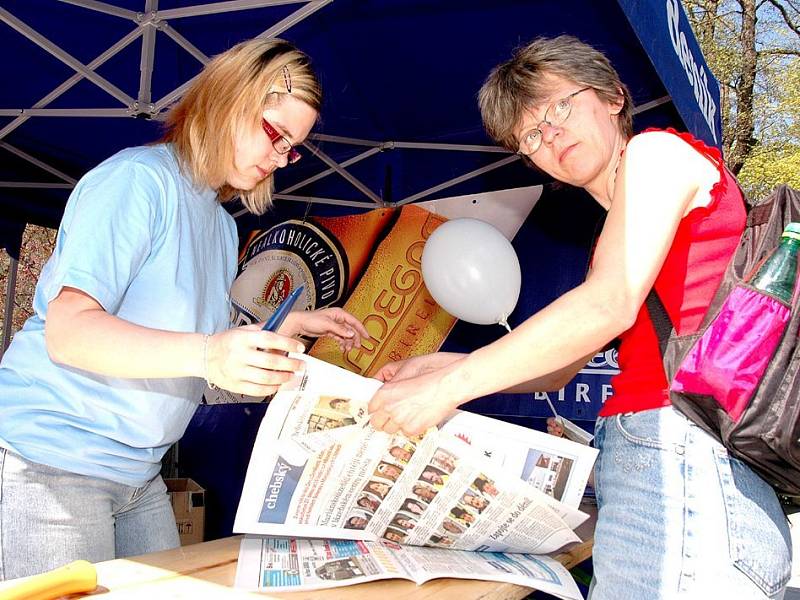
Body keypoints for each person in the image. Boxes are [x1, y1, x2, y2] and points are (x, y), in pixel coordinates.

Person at [368, 35, 792, 599]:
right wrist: (444, 364)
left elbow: (607, 302)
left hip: (683, 461)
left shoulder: (657, 153)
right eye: (531, 136)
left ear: (614, 97)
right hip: (670, 466)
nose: (551, 136)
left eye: (558, 107)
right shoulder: (616, 234)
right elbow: (558, 371)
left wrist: (449, 387)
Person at [0, 38, 370, 581]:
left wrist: (288, 324)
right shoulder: (136, 181)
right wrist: (208, 351)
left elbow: (186, 337)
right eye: (276, 134)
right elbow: (70, 332)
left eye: (293, 149)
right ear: (228, 100)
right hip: (53, 465)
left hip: (140, 474)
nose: (280, 158)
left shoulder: (221, 224)